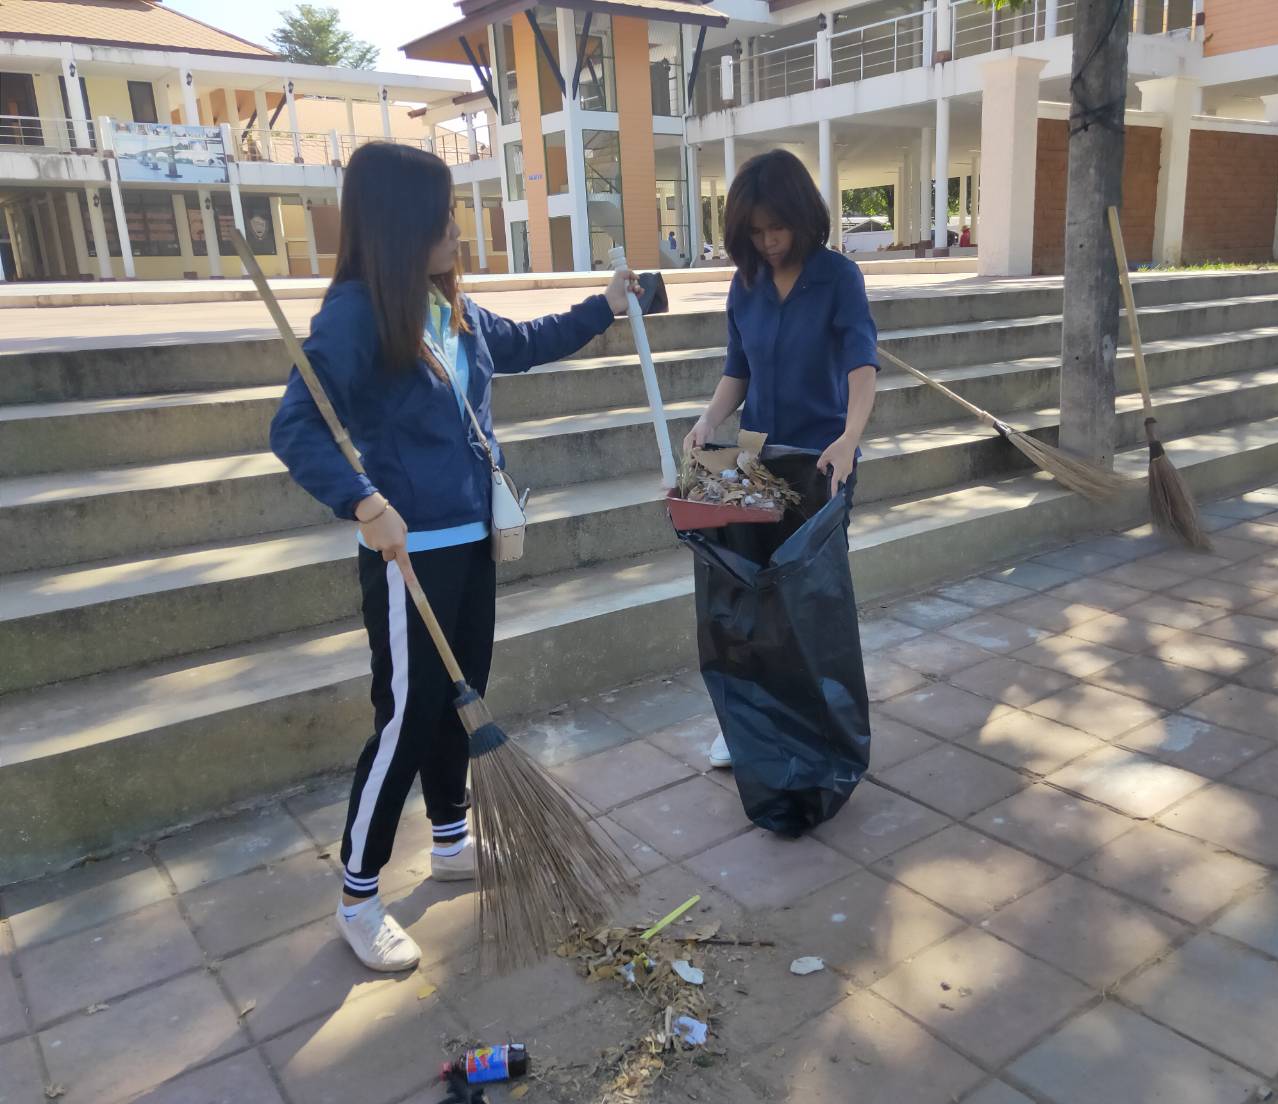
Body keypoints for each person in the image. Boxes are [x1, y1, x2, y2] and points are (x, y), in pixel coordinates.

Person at [270, 142, 639, 972]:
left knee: (457, 699)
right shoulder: (358, 314)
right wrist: (361, 500)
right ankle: (357, 898)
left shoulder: (448, 309)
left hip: (471, 541)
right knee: (404, 719)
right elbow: (294, 425)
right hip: (409, 558)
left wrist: (604, 306)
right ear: (402, 225)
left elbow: (525, 340)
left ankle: (447, 841)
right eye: (441, 218)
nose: (455, 231)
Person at [681, 149, 878, 771]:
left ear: (803, 217)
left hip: (822, 462)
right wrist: (709, 421)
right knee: (746, 596)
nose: (768, 242)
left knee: (811, 600)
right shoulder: (745, 286)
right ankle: (749, 720)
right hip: (752, 460)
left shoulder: (838, 278)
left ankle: (819, 717)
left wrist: (849, 437)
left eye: (778, 228)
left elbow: (861, 363)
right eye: (756, 231)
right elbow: (736, 372)